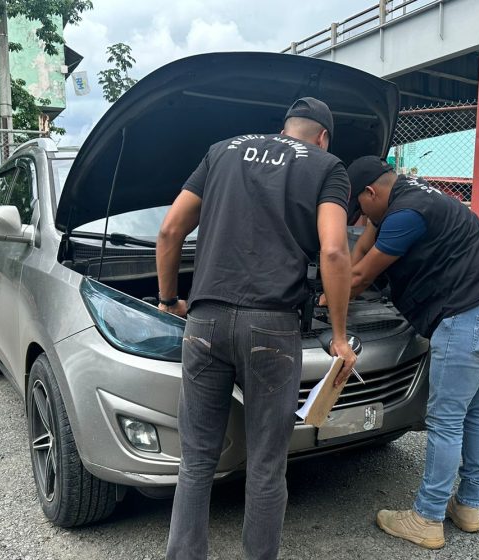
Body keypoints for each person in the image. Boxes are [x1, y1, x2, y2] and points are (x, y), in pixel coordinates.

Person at [157, 97, 357, 560]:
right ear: (323, 136)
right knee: (267, 466)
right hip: (273, 328)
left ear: (284, 127)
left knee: (196, 462)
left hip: (204, 320)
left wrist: (170, 301)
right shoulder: (328, 166)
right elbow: (333, 252)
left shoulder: (223, 150)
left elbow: (169, 231)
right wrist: (340, 335)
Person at [340, 157, 479, 550]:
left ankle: (426, 518)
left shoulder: (406, 214)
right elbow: (364, 246)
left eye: (359, 210)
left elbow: (360, 276)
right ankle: (468, 507)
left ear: (371, 193)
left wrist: (328, 298)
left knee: (445, 420)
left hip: (471, 316)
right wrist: (353, 258)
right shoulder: (413, 194)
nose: (358, 222)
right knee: (474, 410)